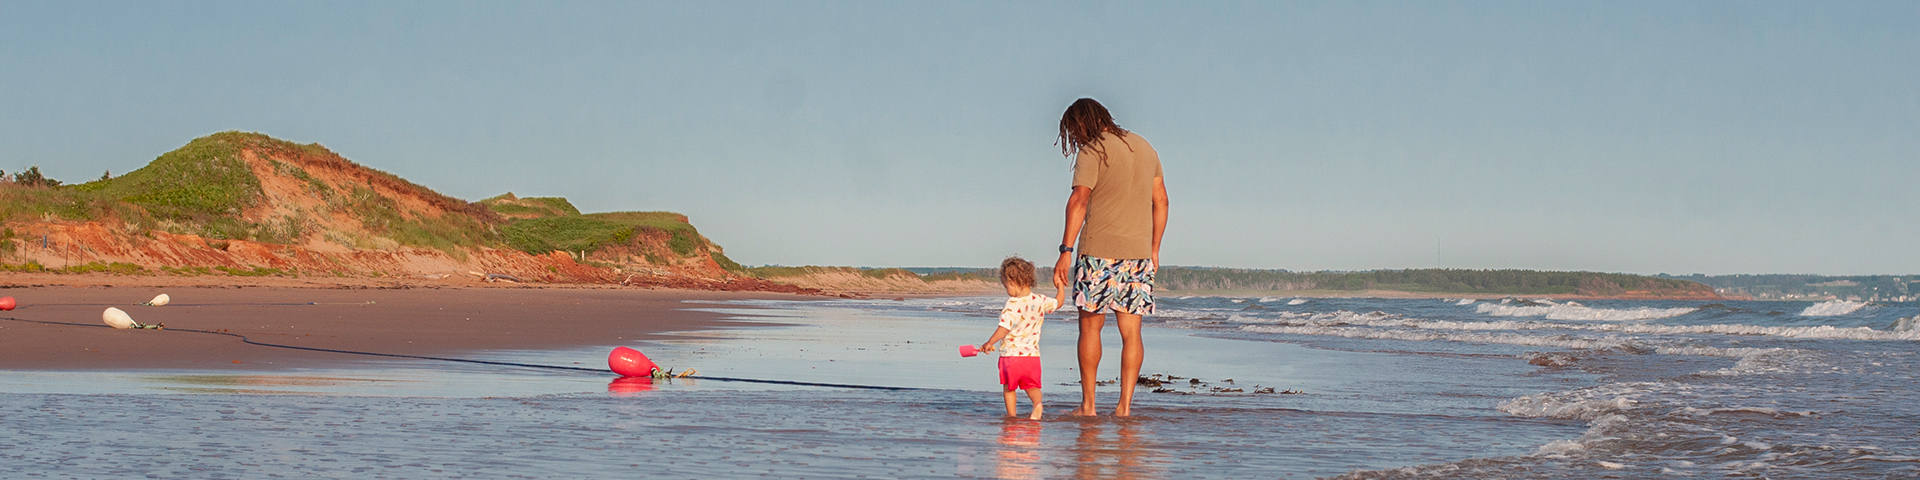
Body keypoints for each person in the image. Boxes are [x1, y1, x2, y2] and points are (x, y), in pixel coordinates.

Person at [1050, 98, 1168, 417]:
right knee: (1132, 334)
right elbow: (1162, 201)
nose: (1075, 138)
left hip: (1098, 252)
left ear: (1082, 123)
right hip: (1138, 256)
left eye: (1074, 131)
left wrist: (1065, 251)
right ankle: (1124, 408)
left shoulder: (1094, 150)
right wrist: (1154, 249)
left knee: (1090, 331)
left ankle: (1089, 406)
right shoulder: (1145, 148)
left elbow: (1079, 200)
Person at [980, 256, 1060, 420]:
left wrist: (989, 342)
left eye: (1006, 285)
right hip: (1032, 357)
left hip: (1011, 356)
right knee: (1032, 387)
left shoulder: (1012, 304)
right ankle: (1037, 405)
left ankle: (1011, 416)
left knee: (1009, 388)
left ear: (1014, 282)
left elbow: (1004, 328)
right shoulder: (1040, 300)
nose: (1006, 289)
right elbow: (1058, 303)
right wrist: (1061, 287)